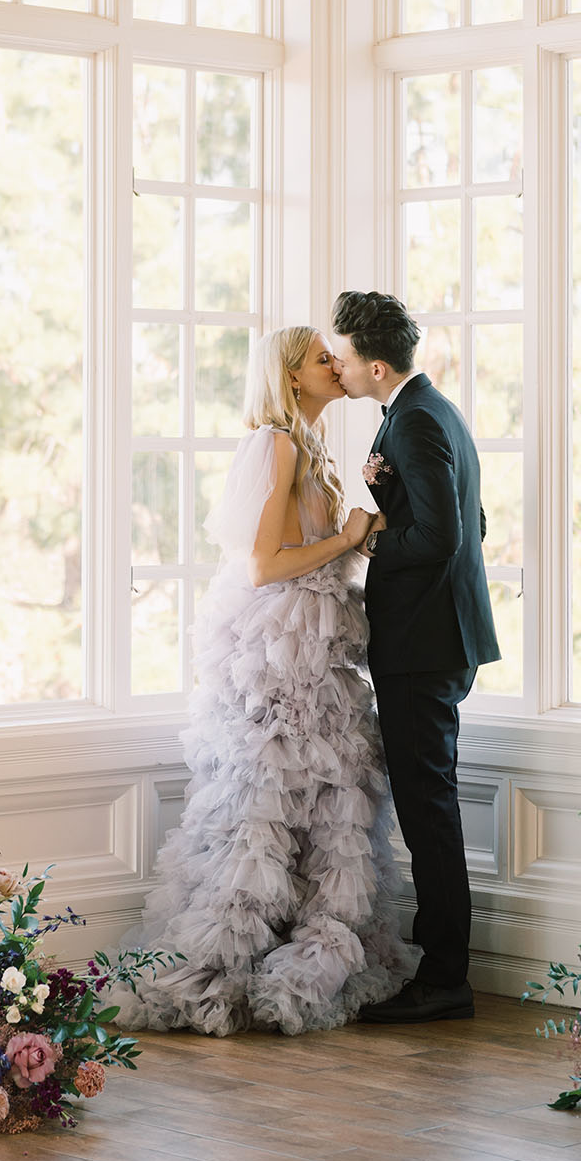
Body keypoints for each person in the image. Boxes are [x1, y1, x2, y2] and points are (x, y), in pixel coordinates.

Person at [109, 326, 414, 1036]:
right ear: (289, 375)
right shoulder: (274, 442)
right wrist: (347, 538)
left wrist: (368, 532)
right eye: (319, 361)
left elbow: (307, 546)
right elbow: (263, 565)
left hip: (317, 646)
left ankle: (301, 945)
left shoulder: (311, 445)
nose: (334, 368)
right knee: (264, 802)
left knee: (323, 801)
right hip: (279, 647)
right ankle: (225, 962)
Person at [332, 291, 500, 1024]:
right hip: (436, 637)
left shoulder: (419, 419)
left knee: (427, 810)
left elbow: (443, 538)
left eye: (340, 359)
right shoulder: (425, 411)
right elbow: (472, 519)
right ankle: (444, 972)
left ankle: (444, 980)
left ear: (374, 364)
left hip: (425, 645)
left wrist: (369, 536)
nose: (335, 370)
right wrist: (388, 495)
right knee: (428, 805)